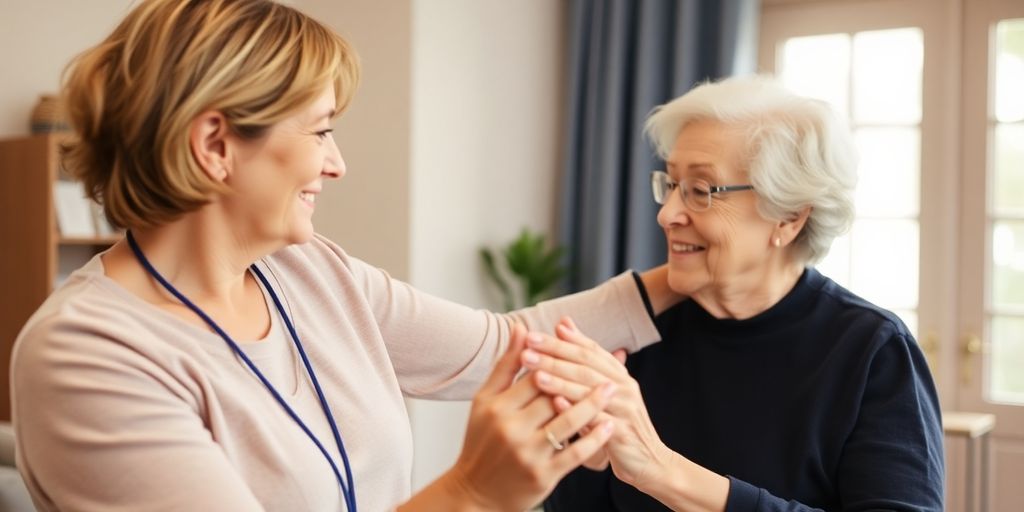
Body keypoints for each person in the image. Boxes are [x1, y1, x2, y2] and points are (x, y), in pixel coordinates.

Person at [9, 1, 683, 510]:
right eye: (321, 131)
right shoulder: (87, 353)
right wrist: (473, 491)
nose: (337, 164)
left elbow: (505, 348)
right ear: (215, 144)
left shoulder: (307, 272)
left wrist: (683, 274)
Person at [527, 77, 945, 511]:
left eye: (701, 191)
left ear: (787, 218)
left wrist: (662, 471)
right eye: (671, 185)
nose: (667, 214)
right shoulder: (632, 338)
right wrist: (582, 458)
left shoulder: (872, 351)